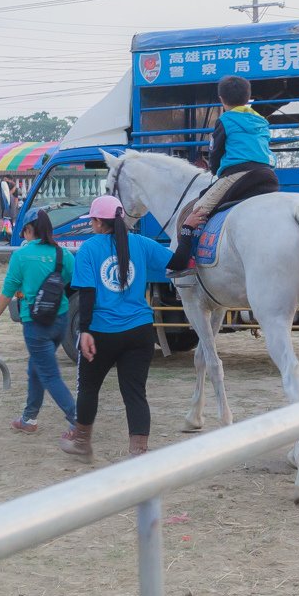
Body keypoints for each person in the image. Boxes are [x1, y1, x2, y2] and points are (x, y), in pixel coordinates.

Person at [60, 195, 206, 461]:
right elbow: (179, 261)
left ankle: (82, 442)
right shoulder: (141, 243)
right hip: (139, 332)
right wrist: (187, 229)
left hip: (102, 332)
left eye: (91, 220)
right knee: (135, 394)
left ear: (96, 222)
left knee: (89, 388)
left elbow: (88, 296)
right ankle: (138, 452)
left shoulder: (88, 249)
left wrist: (86, 331)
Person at [169, 75, 279, 277]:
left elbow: (216, 153)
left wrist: (216, 170)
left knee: (197, 210)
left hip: (237, 175)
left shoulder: (225, 120)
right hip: (267, 175)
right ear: (248, 98)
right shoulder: (261, 121)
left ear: (221, 99)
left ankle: (185, 260)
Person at [0, 208, 77, 435]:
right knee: (37, 367)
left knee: (48, 373)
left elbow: (8, 290)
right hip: (60, 319)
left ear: (29, 229)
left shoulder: (21, 255)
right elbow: (67, 279)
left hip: (35, 323)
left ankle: (78, 420)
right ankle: (29, 418)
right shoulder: (62, 254)